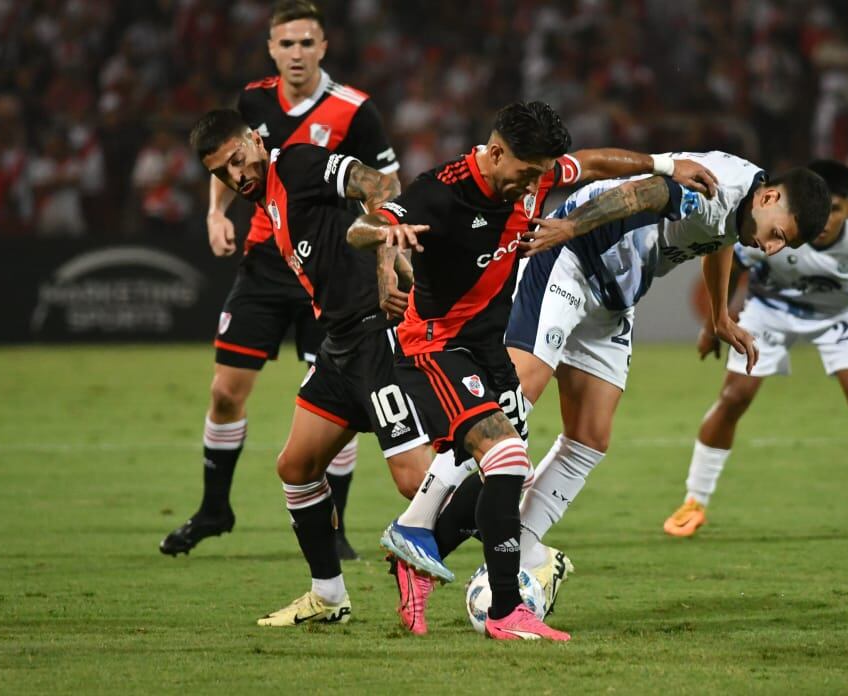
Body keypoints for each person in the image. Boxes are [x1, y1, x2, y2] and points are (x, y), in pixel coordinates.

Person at [387, 151, 831, 632]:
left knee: (590, 438)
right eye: (778, 235)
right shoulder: (717, 189)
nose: (769, 248)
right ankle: (416, 524)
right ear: (768, 197)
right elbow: (643, 192)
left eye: (781, 246)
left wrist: (720, 313)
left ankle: (516, 553)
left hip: (614, 296)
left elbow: (719, 239)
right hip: (571, 259)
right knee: (506, 412)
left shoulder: (744, 204)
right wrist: (569, 227)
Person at [347, 102, 720, 640]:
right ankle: (505, 610)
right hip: (434, 346)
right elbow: (364, 225)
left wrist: (663, 165)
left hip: (488, 350)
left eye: (541, 174)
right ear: (496, 152)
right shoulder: (441, 191)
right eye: (526, 173)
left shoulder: (533, 176)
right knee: (506, 455)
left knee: (503, 475)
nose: (534, 183)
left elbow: (589, 164)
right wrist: (385, 236)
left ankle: (415, 547)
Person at [161, 1, 400, 560]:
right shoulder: (252, 102)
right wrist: (215, 212)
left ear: (323, 48)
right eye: (286, 44)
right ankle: (215, 509)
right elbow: (224, 163)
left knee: (332, 394)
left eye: (306, 43)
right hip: (268, 263)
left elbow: (385, 180)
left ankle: (334, 525)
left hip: (333, 270)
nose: (296, 53)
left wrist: (378, 242)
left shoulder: (355, 110)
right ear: (271, 49)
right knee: (225, 390)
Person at [190, 108, 433, 626]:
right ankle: (328, 595)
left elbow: (380, 183)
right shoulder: (270, 201)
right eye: (222, 173)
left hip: (378, 336)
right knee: (296, 468)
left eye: (238, 159)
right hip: (340, 344)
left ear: (256, 140)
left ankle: (524, 552)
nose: (236, 175)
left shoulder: (297, 165)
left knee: (416, 481)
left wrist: (388, 260)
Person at [663, 159, 848, 539]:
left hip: (837, 315)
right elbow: (730, 259)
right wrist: (713, 325)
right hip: (770, 310)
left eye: (835, 211)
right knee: (734, 396)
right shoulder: (780, 223)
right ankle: (694, 502)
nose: (823, 222)